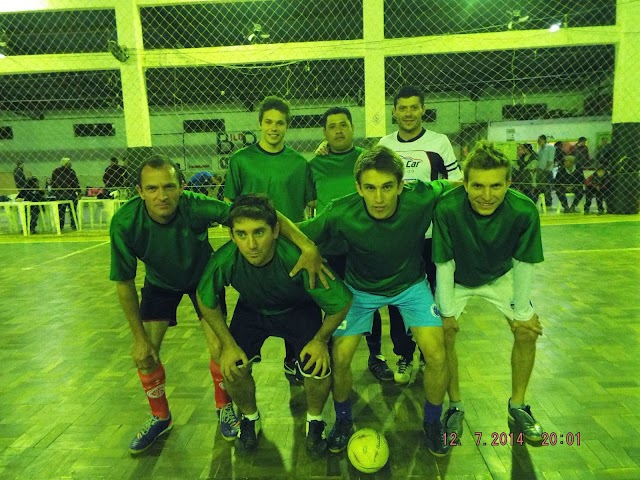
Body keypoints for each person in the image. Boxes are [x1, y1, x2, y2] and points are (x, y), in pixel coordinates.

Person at [109, 154, 329, 454]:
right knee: (146, 355)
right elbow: (124, 283)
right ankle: (160, 416)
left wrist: (306, 245)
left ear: (182, 186)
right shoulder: (124, 223)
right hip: (160, 285)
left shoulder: (196, 205)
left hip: (202, 279)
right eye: (152, 188)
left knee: (220, 350)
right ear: (139, 191)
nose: (162, 195)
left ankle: (224, 409)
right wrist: (137, 338)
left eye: (169, 186)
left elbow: (265, 217)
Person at [300, 145, 453, 457]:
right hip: (359, 290)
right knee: (340, 356)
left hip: (410, 286)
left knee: (437, 354)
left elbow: (458, 184)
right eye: (369, 188)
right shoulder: (342, 210)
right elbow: (298, 233)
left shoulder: (420, 196)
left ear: (401, 185)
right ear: (358, 188)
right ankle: (343, 420)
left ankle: (433, 422)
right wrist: (309, 248)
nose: (379, 198)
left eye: (387, 188)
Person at [197, 194, 352, 456]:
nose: (252, 244)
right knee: (231, 366)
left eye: (259, 232)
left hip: (298, 310)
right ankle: (249, 418)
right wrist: (228, 344)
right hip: (252, 310)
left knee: (317, 366)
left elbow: (341, 303)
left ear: (276, 230)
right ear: (232, 235)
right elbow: (205, 301)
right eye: (242, 234)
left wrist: (321, 340)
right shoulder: (225, 259)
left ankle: (315, 421)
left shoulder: (297, 258)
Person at [432, 141, 545, 444]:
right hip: (458, 278)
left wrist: (522, 314)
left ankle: (518, 406)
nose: (486, 195)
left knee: (527, 333)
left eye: (496, 186)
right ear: (464, 183)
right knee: (443, 337)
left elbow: (523, 262)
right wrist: (446, 314)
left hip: (500, 275)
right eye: (477, 186)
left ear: (509, 182)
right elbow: (444, 263)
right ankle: (455, 405)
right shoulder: (446, 207)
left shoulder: (523, 210)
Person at [225, 95, 315, 385]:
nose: (274, 128)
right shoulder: (241, 160)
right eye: (268, 122)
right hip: (254, 252)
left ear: (287, 126)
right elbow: (229, 204)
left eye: (280, 123)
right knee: (255, 301)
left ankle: (293, 359)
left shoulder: (299, 164)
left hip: (288, 252)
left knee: (294, 301)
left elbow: (308, 207)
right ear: (260, 124)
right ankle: (245, 354)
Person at [378, 85, 462, 383]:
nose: (409, 113)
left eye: (414, 107)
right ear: (394, 111)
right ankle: (404, 355)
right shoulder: (384, 145)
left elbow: (456, 183)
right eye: (403, 108)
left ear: (423, 109)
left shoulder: (439, 143)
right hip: (397, 239)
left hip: (430, 237)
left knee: (434, 297)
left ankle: (430, 354)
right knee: (399, 299)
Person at [309, 106, 393, 382]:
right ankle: (331, 355)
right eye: (332, 126)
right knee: (332, 304)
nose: (338, 130)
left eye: (343, 124)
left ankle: (376, 356)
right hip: (329, 249)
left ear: (353, 128)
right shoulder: (314, 164)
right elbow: (309, 203)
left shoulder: (365, 160)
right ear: (325, 132)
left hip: (363, 246)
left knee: (369, 302)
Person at [51, 157, 81, 230]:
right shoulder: (71, 171)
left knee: (61, 211)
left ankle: (60, 226)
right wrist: (79, 191)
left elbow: (53, 183)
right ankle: (74, 225)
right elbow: (75, 182)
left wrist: (54, 192)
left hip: (60, 193)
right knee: (73, 210)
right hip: (70, 193)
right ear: (68, 163)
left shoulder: (56, 171)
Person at [536, 135, 555, 207]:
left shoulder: (550, 148)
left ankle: (548, 201)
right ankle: (544, 201)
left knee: (546, 187)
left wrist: (545, 170)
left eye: (539, 140)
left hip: (547, 170)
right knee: (541, 187)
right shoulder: (540, 149)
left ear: (544, 140)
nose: (538, 142)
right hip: (540, 170)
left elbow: (550, 160)